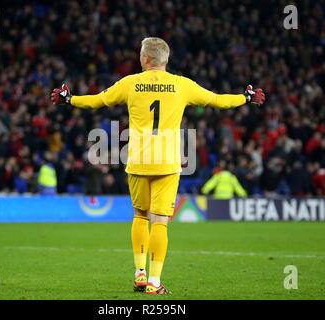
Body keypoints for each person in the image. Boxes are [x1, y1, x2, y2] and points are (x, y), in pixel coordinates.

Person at [50, 37, 265, 294]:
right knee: (160, 222)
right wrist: (246, 97)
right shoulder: (182, 85)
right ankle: (154, 282)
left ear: (145, 59)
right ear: (166, 60)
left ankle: (140, 274)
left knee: (140, 216)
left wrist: (69, 99)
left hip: (138, 159)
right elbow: (218, 101)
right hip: (167, 161)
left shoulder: (130, 83)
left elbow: (96, 101)